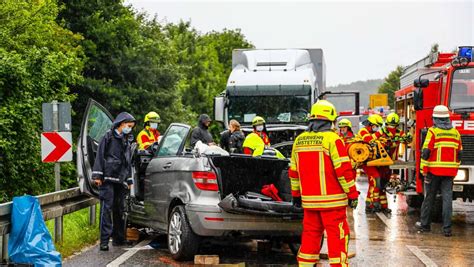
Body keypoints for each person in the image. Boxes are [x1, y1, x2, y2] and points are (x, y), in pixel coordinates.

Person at [289, 100, 358, 267]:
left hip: (310, 203)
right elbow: (343, 171)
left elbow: (293, 173)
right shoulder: (333, 140)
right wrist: (352, 194)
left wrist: (296, 196)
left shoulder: (299, 141)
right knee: (337, 239)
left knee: (310, 239)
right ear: (330, 120)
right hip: (333, 203)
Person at [92, 112, 136, 251]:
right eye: (129, 126)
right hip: (108, 178)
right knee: (107, 209)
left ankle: (119, 239)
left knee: (120, 209)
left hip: (121, 179)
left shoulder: (126, 139)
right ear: (121, 124)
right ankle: (104, 241)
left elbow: (127, 161)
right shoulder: (108, 136)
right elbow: (100, 155)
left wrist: (129, 179)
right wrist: (97, 176)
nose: (130, 129)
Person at [418, 105, 462, 237]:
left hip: (433, 172)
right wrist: (454, 168)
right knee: (447, 200)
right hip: (450, 173)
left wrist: (423, 170)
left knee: (429, 199)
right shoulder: (455, 132)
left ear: (435, 118)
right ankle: (447, 229)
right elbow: (459, 154)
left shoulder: (433, 132)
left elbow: (426, 153)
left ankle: (425, 225)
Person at [376, 112, 411, 213]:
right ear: (386, 124)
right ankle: (375, 204)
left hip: (391, 162)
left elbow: (408, 139)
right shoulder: (382, 131)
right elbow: (373, 139)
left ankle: (383, 205)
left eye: (393, 126)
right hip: (381, 161)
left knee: (384, 184)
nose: (391, 128)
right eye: (390, 126)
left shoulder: (399, 133)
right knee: (378, 184)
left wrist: (406, 137)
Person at [357, 114, 384, 213]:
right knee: (376, 179)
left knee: (374, 181)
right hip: (365, 161)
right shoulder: (364, 131)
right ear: (371, 124)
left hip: (369, 160)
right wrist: (381, 133)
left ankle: (369, 204)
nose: (377, 128)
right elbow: (368, 139)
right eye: (376, 126)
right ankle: (373, 203)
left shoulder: (369, 132)